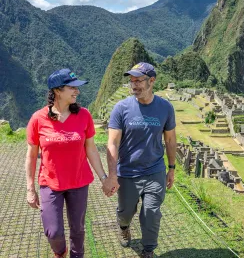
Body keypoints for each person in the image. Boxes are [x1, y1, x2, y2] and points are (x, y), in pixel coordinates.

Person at [25, 68, 119, 258]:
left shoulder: (84, 115)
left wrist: (104, 178)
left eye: (77, 87)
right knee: (53, 231)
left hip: (78, 181)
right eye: (72, 87)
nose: (77, 91)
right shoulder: (38, 119)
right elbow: (32, 155)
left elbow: (91, 149)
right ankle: (60, 251)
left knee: (78, 228)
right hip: (50, 183)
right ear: (58, 91)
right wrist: (30, 188)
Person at [107, 62, 177, 258]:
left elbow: (170, 139)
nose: (134, 85)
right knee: (126, 212)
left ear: (152, 81)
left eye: (138, 80)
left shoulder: (165, 108)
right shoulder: (121, 108)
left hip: (154, 170)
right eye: (132, 81)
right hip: (128, 171)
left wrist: (171, 168)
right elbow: (112, 143)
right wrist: (112, 174)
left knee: (151, 213)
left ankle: (148, 250)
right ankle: (123, 226)